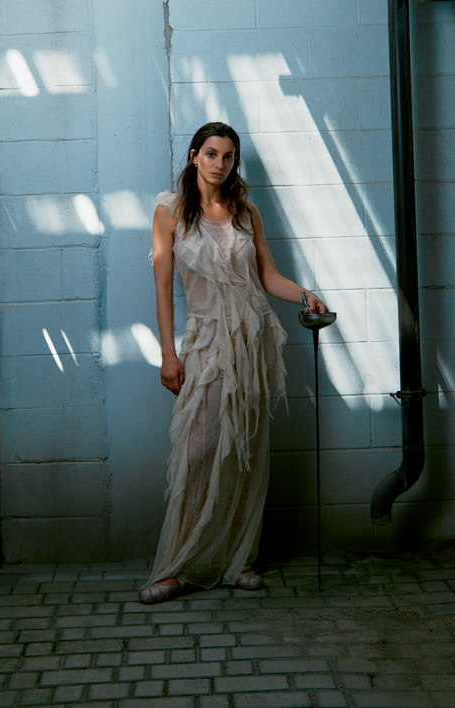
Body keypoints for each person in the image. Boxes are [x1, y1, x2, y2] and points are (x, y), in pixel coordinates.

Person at [139, 121, 327, 604]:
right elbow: (162, 287)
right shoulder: (170, 212)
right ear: (193, 156)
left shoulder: (247, 213)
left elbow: (268, 277)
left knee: (246, 448)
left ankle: (239, 558)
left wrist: (307, 295)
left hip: (251, 338)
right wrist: (168, 353)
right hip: (204, 341)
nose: (220, 164)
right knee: (198, 449)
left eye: (228, 157)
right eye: (212, 154)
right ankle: (179, 566)